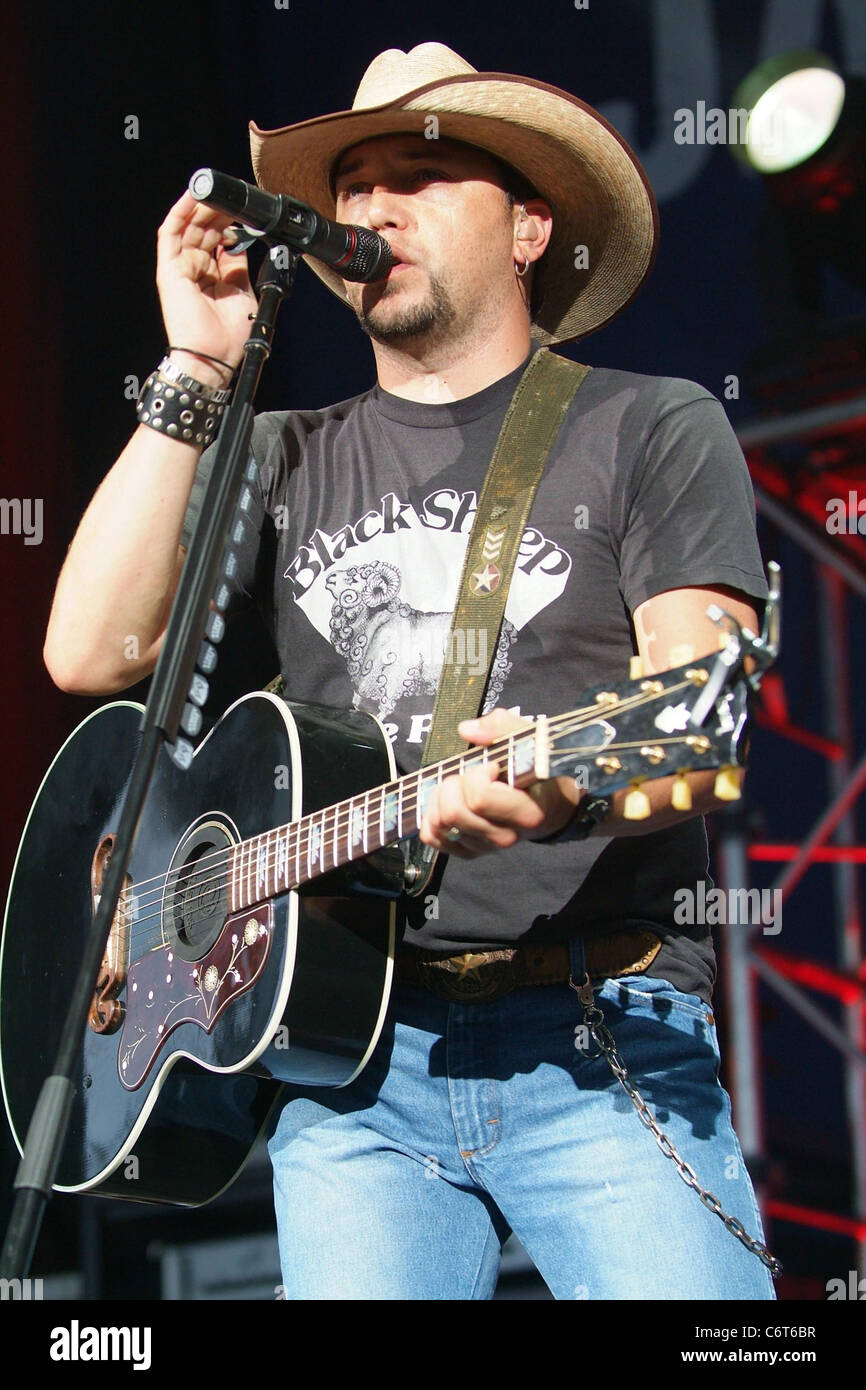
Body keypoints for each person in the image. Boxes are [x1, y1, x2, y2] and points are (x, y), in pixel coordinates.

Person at [44, 43, 776, 1299]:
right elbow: (88, 650)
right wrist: (200, 369)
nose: (368, 209)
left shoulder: (649, 425)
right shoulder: (278, 454)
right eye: (352, 185)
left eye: (419, 176)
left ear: (531, 225)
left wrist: (563, 782)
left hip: (593, 1039)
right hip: (350, 1063)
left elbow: (695, 695)